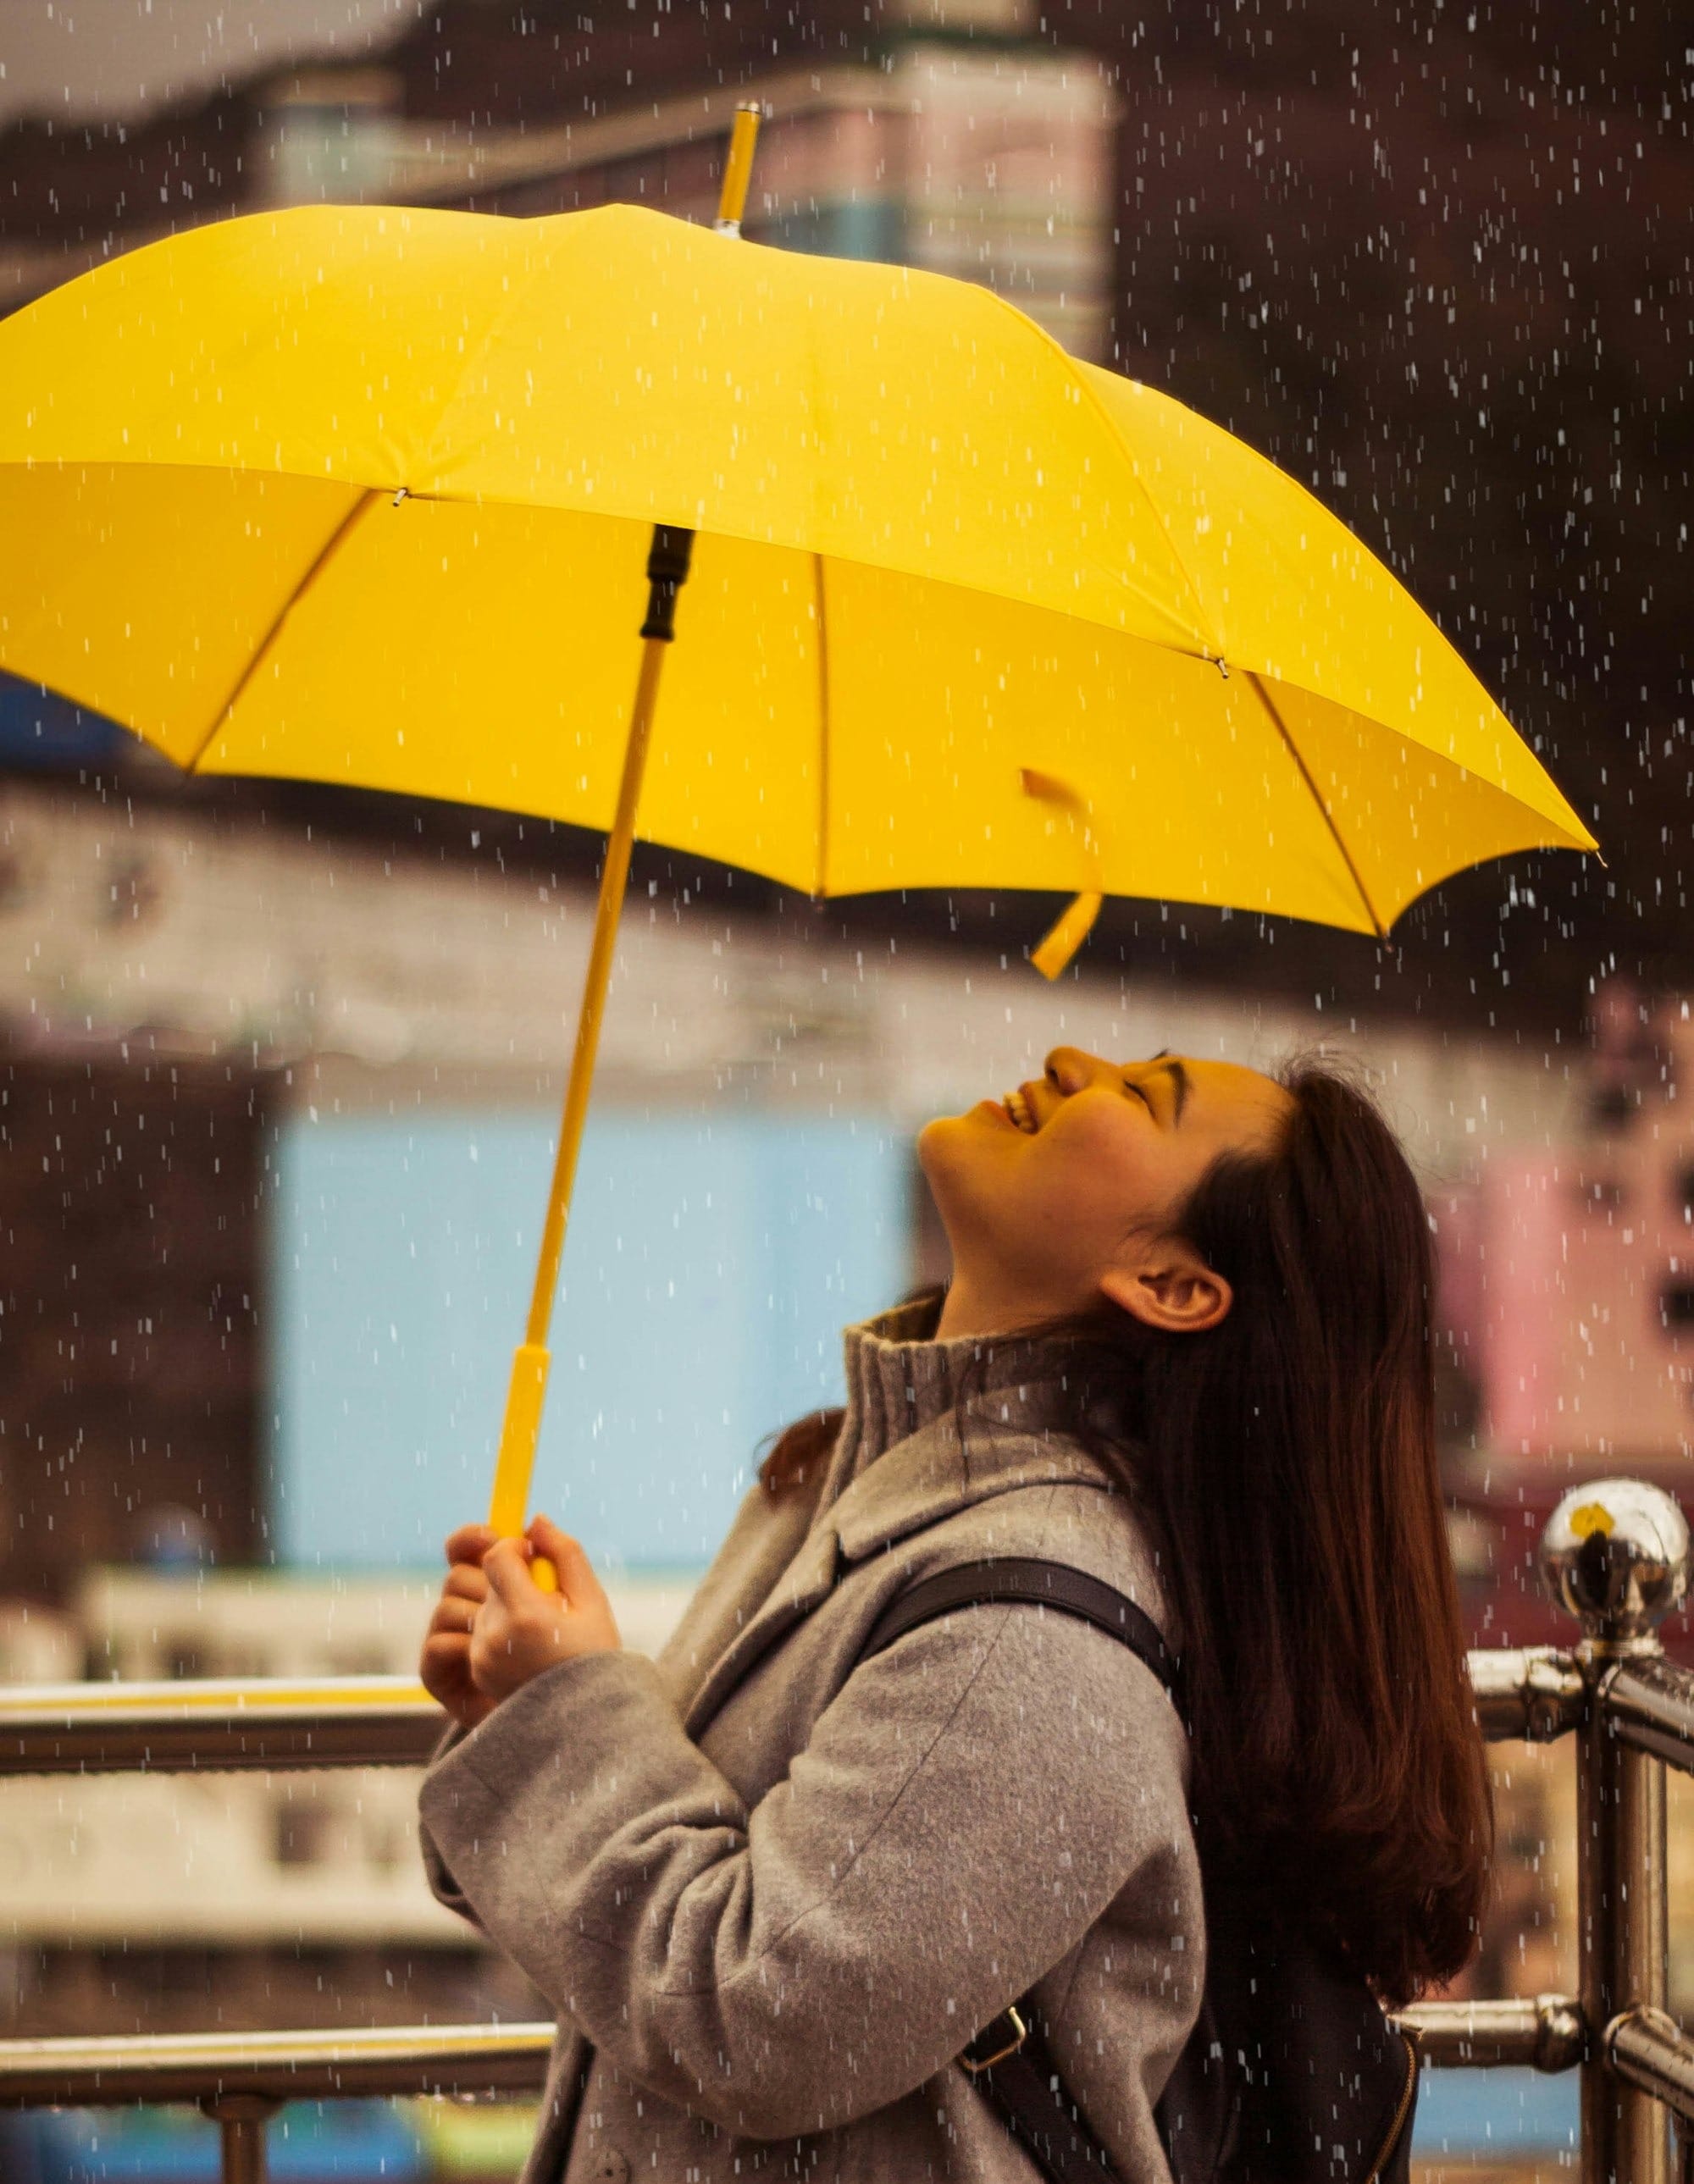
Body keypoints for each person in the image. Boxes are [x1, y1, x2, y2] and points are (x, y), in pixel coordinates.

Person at [417, 1045, 1491, 2184]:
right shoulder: (840, 1479)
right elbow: (665, 1943)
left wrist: (567, 1715)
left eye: (1142, 1096)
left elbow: (756, 2018)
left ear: (1173, 1287)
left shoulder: (1035, 1641)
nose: (1072, 1059)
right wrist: (523, 1718)